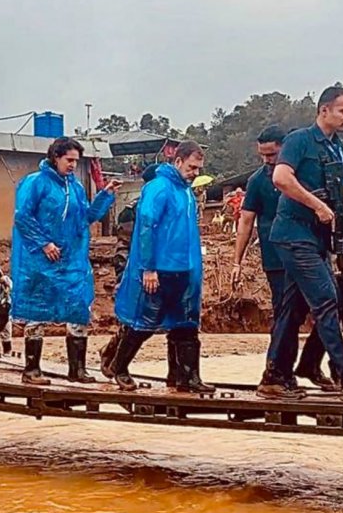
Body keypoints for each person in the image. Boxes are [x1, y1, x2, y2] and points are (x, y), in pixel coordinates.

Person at [259, 87, 343, 400]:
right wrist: (315, 205)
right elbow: (281, 178)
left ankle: (275, 377)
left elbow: (342, 188)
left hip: (319, 239)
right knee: (327, 300)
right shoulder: (300, 140)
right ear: (324, 110)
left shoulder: (338, 148)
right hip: (293, 235)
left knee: (292, 309)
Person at [107, 140, 215, 394]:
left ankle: (188, 377)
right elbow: (146, 227)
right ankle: (119, 367)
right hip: (160, 269)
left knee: (186, 323)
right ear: (177, 162)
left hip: (184, 269)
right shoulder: (159, 188)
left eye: (198, 168)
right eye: (191, 167)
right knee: (144, 322)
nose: (195, 173)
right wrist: (148, 267)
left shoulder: (185, 191)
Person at [232, 125, 333, 393]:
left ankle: (310, 364)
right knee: (287, 316)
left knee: (329, 306)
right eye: (263, 155)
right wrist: (236, 261)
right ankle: (279, 374)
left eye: (272, 154)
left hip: (312, 251)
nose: (267, 160)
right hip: (278, 260)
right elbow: (246, 221)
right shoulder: (258, 181)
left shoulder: (303, 176)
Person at [11, 137, 118, 385]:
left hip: (71, 260)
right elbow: (23, 217)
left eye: (75, 161)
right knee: (36, 310)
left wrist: (106, 195)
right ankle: (31, 370)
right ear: (55, 157)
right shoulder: (35, 183)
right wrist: (44, 243)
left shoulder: (76, 187)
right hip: (40, 262)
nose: (72, 165)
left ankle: (77, 370)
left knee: (78, 309)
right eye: (69, 160)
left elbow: (86, 217)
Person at [99, 163, 180, 388]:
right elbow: (123, 246)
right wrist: (121, 278)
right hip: (140, 273)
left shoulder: (175, 202)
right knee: (140, 321)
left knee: (172, 324)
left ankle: (175, 375)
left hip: (169, 272)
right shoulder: (133, 211)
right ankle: (114, 360)